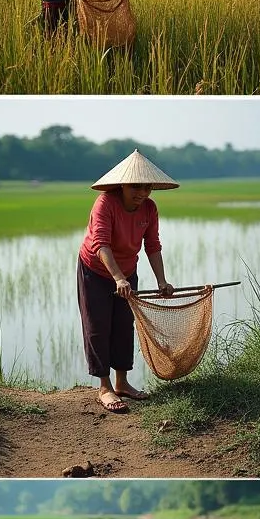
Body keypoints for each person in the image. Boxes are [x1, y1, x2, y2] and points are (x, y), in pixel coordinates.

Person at [79, 149, 176, 413]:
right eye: (135, 186)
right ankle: (104, 387)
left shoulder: (149, 208)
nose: (141, 193)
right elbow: (101, 243)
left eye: (147, 187)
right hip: (96, 269)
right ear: (121, 184)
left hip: (126, 270)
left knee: (124, 324)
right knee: (98, 325)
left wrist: (162, 281)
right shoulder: (105, 203)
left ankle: (122, 382)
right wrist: (119, 279)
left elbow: (152, 245)